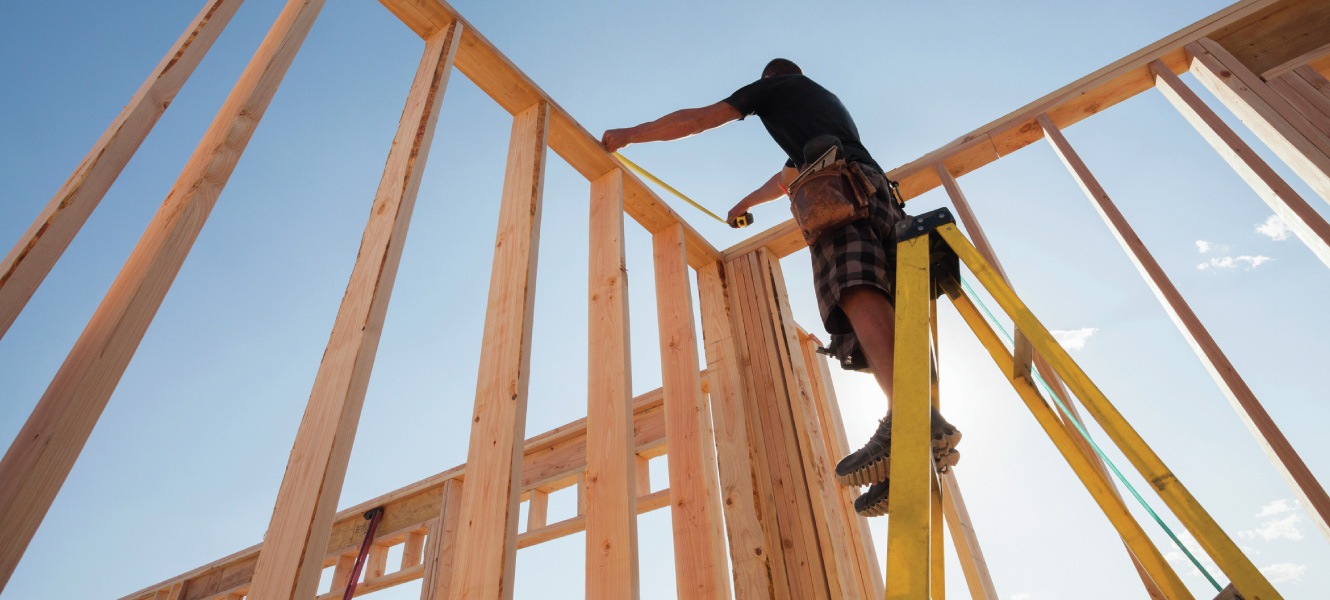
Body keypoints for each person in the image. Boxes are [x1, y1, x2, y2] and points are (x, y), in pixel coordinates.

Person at [601, 58, 959, 516]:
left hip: (839, 193)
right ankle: (912, 432)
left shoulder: (777, 87)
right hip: (876, 195)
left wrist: (631, 134)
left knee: (854, 287)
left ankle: (912, 421)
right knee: (883, 311)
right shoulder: (823, 111)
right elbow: (786, 177)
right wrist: (744, 203)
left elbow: (699, 119)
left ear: (771, 78)